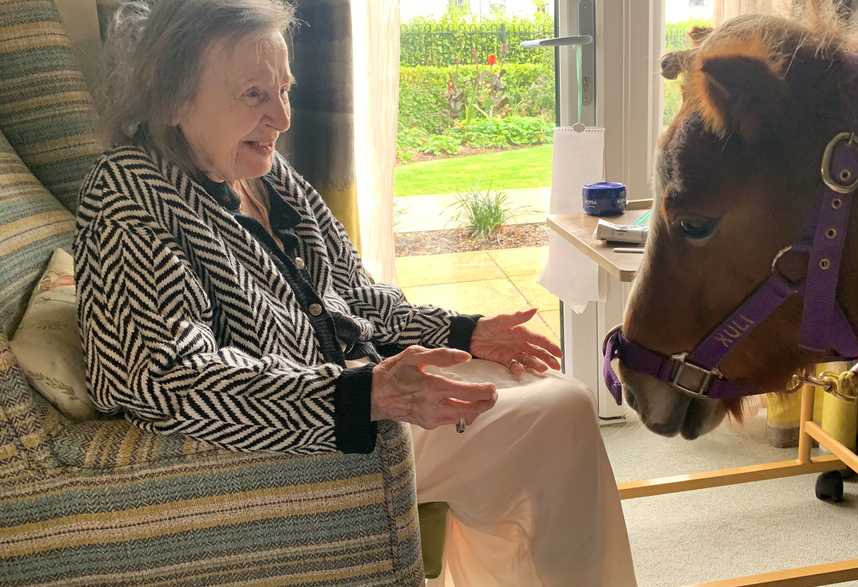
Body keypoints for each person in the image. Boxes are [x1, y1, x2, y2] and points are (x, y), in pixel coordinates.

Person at [75, 1, 636, 585]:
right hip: (302, 438)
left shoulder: (263, 174)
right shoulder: (127, 197)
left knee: (544, 389)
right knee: (562, 412)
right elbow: (158, 378)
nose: (283, 118)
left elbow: (356, 293)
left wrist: (465, 332)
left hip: (360, 390)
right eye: (253, 95)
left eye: (284, 90)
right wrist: (361, 395)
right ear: (171, 98)